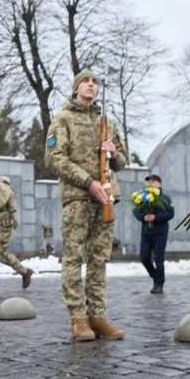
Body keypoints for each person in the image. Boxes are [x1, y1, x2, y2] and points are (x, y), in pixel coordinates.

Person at [45, 69, 128, 342]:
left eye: (95, 82)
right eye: (86, 81)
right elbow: (54, 159)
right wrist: (88, 182)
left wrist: (114, 153)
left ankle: (98, 315)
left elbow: (123, 162)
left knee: (99, 260)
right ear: (76, 87)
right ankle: (78, 319)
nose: (92, 85)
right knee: (73, 259)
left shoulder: (108, 123)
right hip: (78, 199)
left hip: (105, 199)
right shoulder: (62, 119)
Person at [132, 174, 174, 294]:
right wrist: (144, 217)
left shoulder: (165, 199)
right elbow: (136, 212)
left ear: (159, 184)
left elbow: (170, 214)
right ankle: (156, 276)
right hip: (146, 232)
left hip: (160, 232)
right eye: (149, 181)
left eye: (153, 181)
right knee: (144, 258)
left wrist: (155, 217)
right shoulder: (142, 197)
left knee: (158, 259)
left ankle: (159, 285)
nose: (150, 183)